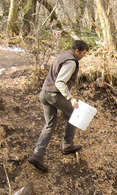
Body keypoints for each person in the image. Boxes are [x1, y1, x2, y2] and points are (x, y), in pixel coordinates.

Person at [28, 40, 89, 172]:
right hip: (54, 94)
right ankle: (67, 145)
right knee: (74, 115)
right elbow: (60, 82)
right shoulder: (71, 61)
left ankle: (37, 155)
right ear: (77, 51)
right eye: (83, 53)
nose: (84, 55)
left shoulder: (63, 55)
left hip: (44, 93)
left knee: (49, 125)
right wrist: (70, 98)